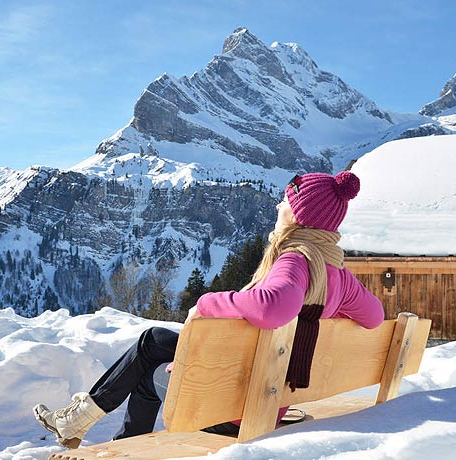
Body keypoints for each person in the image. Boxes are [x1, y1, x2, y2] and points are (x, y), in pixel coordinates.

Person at [33, 171, 384, 448]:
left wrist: (207, 303)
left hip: (236, 407)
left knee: (148, 360)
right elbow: (375, 317)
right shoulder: (338, 275)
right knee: (152, 341)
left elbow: (271, 309)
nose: (279, 208)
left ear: (302, 216)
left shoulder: (296, 260)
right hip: (269, 390)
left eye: (286, 202)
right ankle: (88, 425)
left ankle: (103, 433)